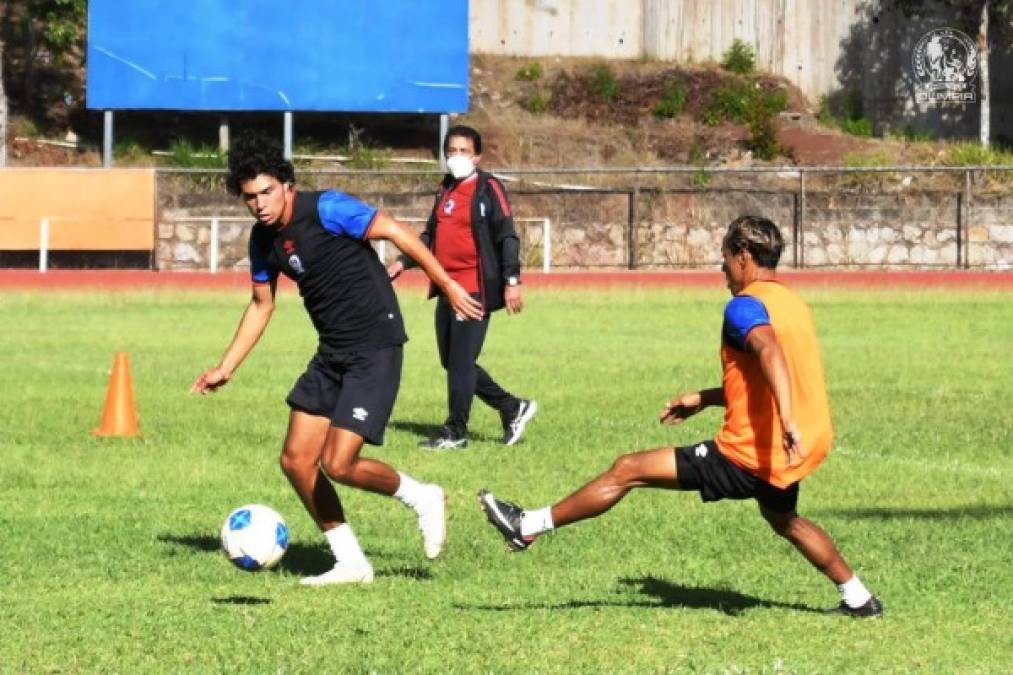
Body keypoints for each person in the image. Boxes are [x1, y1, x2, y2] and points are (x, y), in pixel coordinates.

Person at [478, 215, 883, 618]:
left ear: (743, 256)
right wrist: (707, 398)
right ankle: (859, 598)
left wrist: (788, 420)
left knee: (627, 469)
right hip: (792, 449)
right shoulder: (792, 303)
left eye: (725, 258)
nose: (722, 269)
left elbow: (770, 352)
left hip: (748, 454)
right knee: (785, 520)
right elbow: (773, 376)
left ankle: (528, 525)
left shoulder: (743, 308)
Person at [192, 132, 483, 586]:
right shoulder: (261, 241)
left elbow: (399, 233)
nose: (260, 204)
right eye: (250, 198)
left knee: (340, 462)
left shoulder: (328, 207)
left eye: (267, 192)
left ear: (287, 185)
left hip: (375, 344)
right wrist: (226, 367)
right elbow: (260, 304)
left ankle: (422, 496)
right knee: (295, 460)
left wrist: (446, 285)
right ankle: (351, 561)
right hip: (333, 350)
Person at [387, 125, 537, 450]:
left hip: (473, 288)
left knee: (460, 362)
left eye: (464, 151)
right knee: (454, 362)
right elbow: (429, 236)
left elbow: (507, 235)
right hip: (446, 286)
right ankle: (512, 407)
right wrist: (402, 263)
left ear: (477, 155)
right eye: (451, 151)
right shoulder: (446, 188)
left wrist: (512, 281)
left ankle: (456, 432)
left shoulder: (489, 188)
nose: (457, 157)